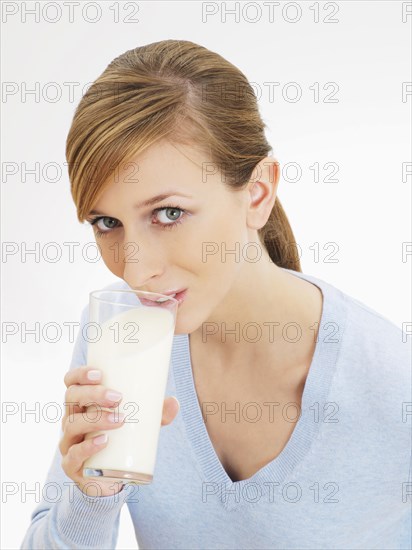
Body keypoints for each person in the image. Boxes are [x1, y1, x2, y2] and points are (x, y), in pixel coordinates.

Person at [21, 39, 411, 549]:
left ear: (257, 193)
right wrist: (94, 492)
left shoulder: (392, 383)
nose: (136, 269)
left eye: (168, 214)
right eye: (106, 222)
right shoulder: (122, 334)